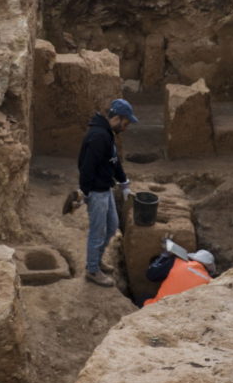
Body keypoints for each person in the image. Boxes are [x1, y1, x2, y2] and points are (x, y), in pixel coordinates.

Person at [77, 98, 138, 287]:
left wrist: (124, 182)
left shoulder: (107, 133)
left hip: (106, 189)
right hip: (96, 192)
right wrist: (85, 194)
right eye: (125, 123)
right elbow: (86, 168)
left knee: (112, 225)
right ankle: (92, 270)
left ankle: (97, 260)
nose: (125, 128)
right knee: (98, 231)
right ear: (118, 118)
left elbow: (114, 160)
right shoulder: (98, 136)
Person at [143, 249, 217, 306]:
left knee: (142, 298)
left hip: (157, 307)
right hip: (181, 316)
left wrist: (163, 256)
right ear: (208, 269)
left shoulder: (178, 262)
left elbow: (151, 275)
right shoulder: (210, 282)